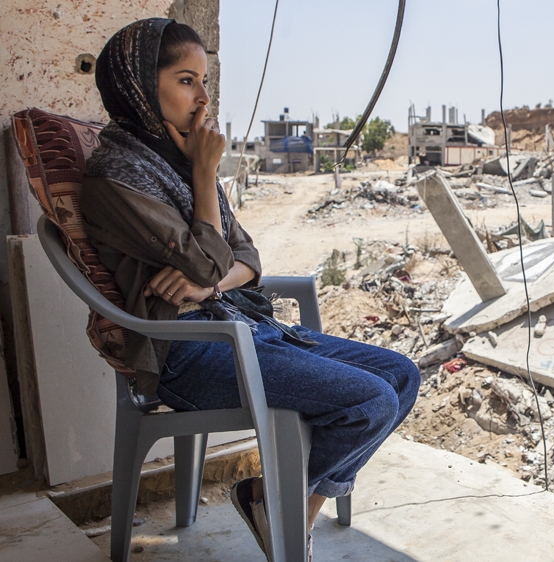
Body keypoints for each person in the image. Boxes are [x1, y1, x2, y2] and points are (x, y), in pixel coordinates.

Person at [80, 18, 420, 560]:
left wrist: (207, 277)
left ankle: (282, 512)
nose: (203, 98)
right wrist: (205, 182)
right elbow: (216, 259)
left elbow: (247, 259)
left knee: (401, 374)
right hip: (187, 351)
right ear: (143, 86)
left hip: (241, 325)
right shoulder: (115, 178)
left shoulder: (183, 160)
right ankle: (280, 514)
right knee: (369, 400)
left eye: (205, 81)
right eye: (186, 80)